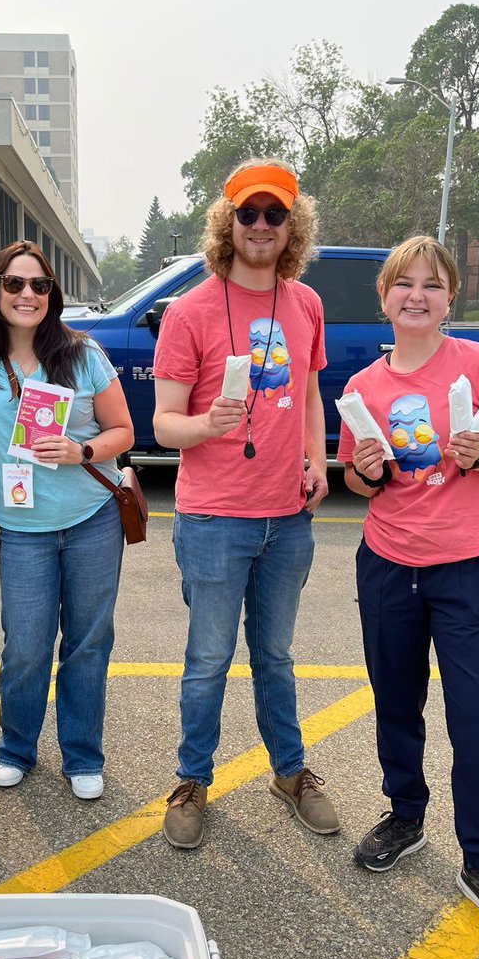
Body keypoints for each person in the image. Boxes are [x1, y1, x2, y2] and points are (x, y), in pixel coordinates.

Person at [339, 234, 479, 940]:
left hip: (470, 568)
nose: (417, 295)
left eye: (432, 284)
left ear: (450, 296)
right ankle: (406, 814)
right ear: (385, 298)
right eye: (404, 283)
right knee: (396, 702)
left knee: (478, 720)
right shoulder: (364, 387)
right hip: (388, 563)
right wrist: (366, 469)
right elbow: (357, 478)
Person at [152, 159, 339, 850]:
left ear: (293, 225)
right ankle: (191, 780)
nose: (261, 225)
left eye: (275, 214)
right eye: (248, 213)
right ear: (227, 223)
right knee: (207, 660)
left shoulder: (305, 303)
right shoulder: (190, 311)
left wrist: (317, 459)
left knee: (276, 656)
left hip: (287, 518)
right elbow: (164, 424)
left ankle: (289, 774)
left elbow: (311, 392)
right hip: (213, 518)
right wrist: (207, 425)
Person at [0, 240, 133, 801]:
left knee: (87, 644)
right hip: (22, 530)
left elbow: (124, 432)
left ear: (52, 295)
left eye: (39, 285)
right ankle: (16, 747)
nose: (27, 294)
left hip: (90, 521)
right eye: (14, 283)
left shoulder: (82, 355)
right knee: (25, 646)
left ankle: (82, 755)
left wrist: (80, 451)